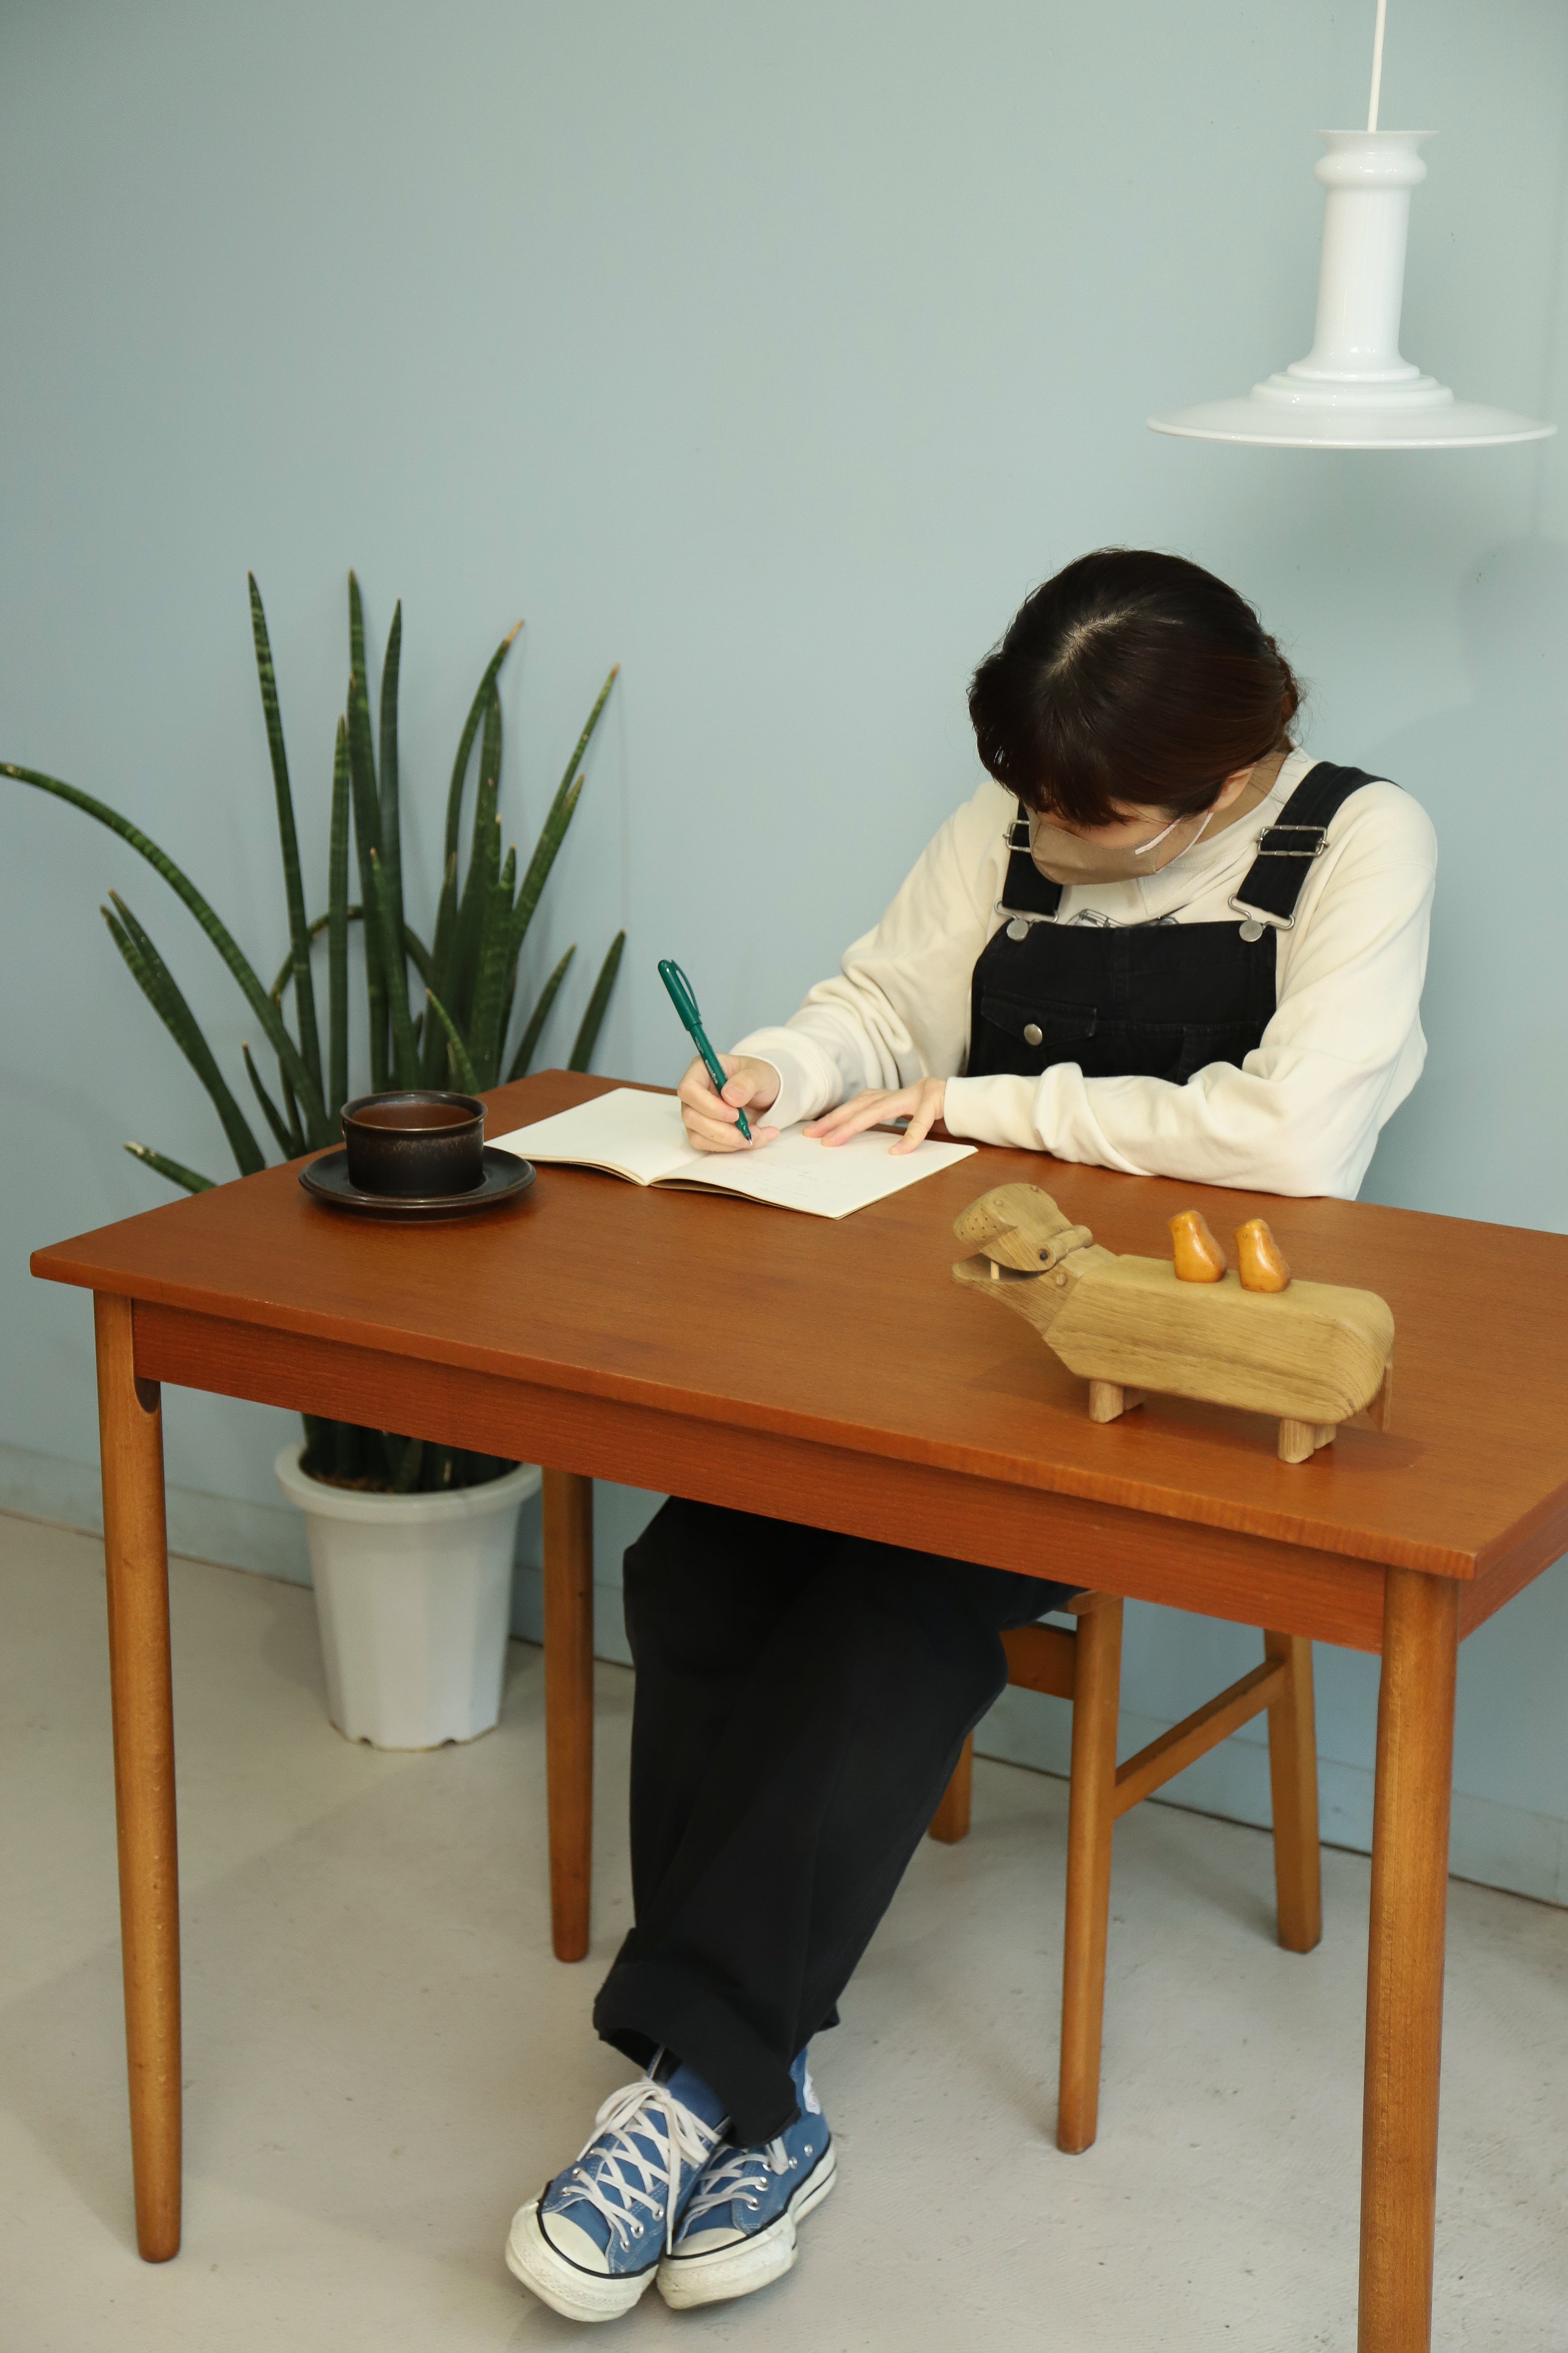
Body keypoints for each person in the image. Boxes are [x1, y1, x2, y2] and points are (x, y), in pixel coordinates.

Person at [504, 548, 1437, 2322]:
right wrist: (781, 1069)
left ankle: (696, 2082)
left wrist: (983, 1101)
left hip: (1189, 1361)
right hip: (963, 1329)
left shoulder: (1358, 842)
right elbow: (881, 1005)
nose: (1050, 839)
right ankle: (746, 2099)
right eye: (1035, 802)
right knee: (700, 1546)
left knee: (898, 1595)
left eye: (1092, 818)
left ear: (1231, 778)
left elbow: (1295, 1141)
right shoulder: (1016, 815)